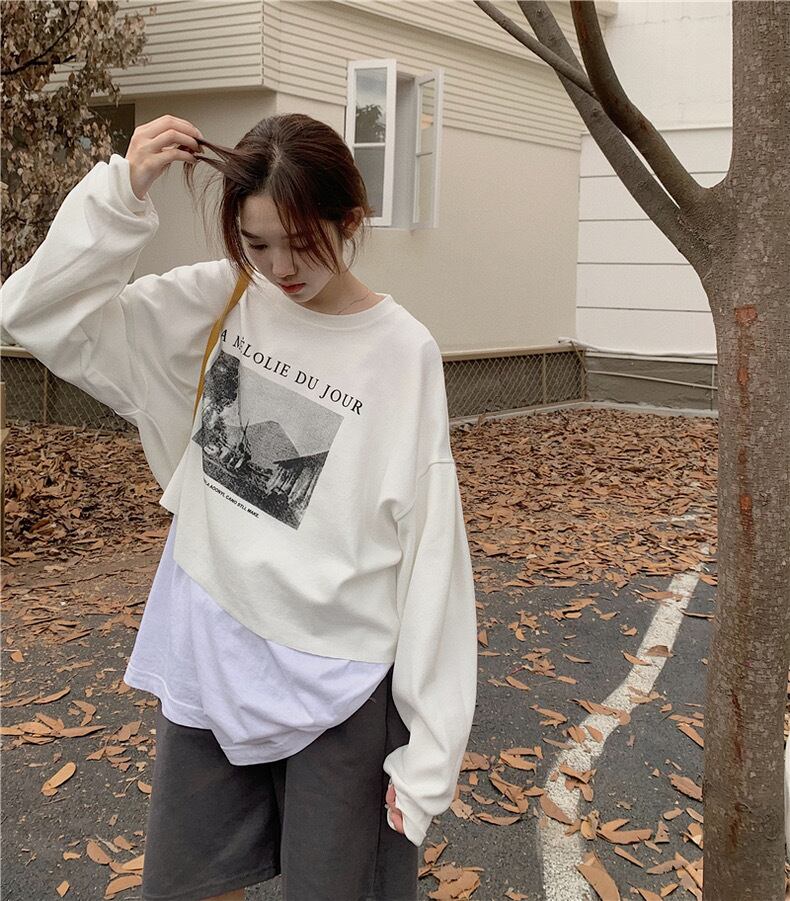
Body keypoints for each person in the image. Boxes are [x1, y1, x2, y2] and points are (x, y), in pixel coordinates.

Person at [1, 114, 479, 901]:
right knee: (190, 885)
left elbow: (432, 547)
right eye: (257, 243)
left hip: (339, 675)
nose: (281, 267)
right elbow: (37, 313)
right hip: (215, 643)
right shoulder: (223, 297)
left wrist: (430, 751)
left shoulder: (402, 351)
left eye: (303, 242)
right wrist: (121, 197)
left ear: (350, 219)